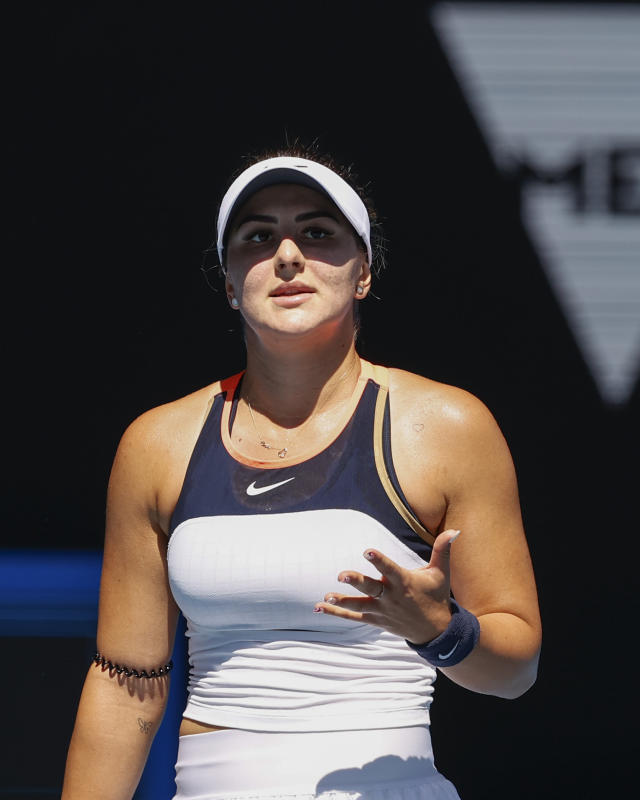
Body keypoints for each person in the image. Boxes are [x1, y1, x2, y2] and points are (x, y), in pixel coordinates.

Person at [62, 144, 542, 799]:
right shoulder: (157, 443)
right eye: (258, 238)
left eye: (317, 233)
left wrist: (441, 629)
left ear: (364, 272)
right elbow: (127, 690)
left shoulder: (446, 426)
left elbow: (515, 670)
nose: (288, 255)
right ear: (230, 283)